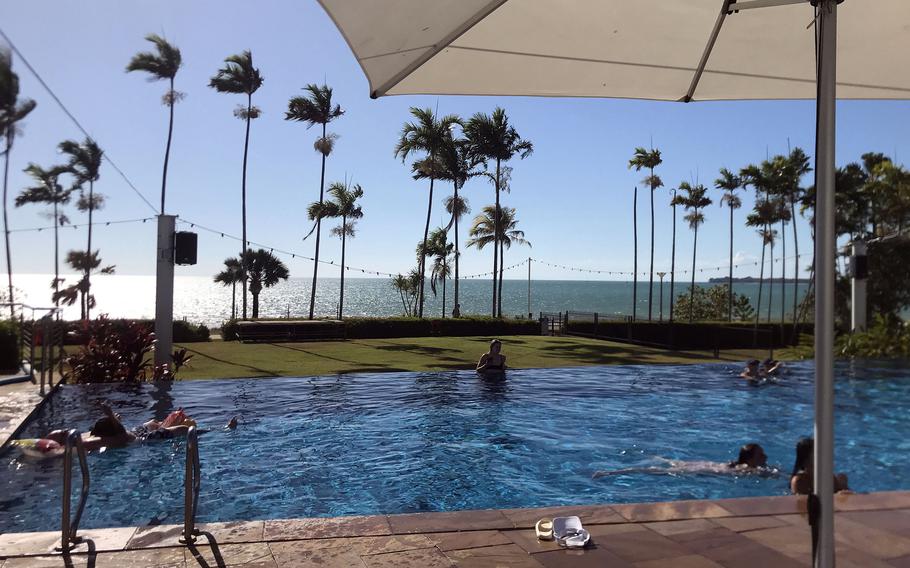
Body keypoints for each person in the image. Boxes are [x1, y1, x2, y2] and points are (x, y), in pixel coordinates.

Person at [593, 443, 777, 479]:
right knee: (653, 470)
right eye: (761, 455)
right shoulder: (747, 470)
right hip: (697, 470)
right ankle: (610, 473)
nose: (765, 457)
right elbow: (768, 474)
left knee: (659, 463)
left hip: (701, 464)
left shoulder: (737, 464)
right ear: (752, 458)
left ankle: (613, 469)